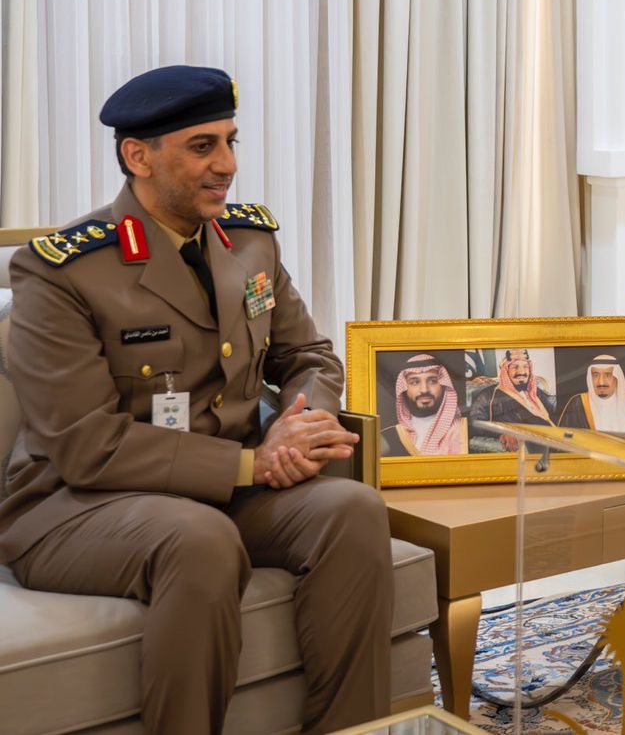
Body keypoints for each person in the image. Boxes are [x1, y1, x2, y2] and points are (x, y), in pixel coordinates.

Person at [0, 65, 394, 735]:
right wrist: (254, 464)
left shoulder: (250, 241)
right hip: (76, 505)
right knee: (201, 539)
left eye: (231, 142)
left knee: (353, 510)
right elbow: (86, 446)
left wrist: (300, 425)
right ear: (139, 156)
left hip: (223, 488)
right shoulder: (61, 271)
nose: (228, 165)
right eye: (203, 146)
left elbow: (309, 356)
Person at [466, 347, 554, 452]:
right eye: (515, 367)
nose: (521, 372)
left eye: (525, 366)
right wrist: (502, 433)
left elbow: (555, 413)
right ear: (506, 371)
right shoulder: (488, 396)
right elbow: (475, 423)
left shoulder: (535, 391)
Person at [380, 351, 467, 456]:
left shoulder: (466, 431)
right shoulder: (389, 437)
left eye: (432, 381)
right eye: (414, 382)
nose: (424, 389)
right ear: (404, 389)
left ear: (444, 386)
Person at [557, 354, 625, 431]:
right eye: (596, 375)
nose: (601, 382)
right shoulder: (578, 403)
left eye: (608, 375)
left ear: (617, 377)